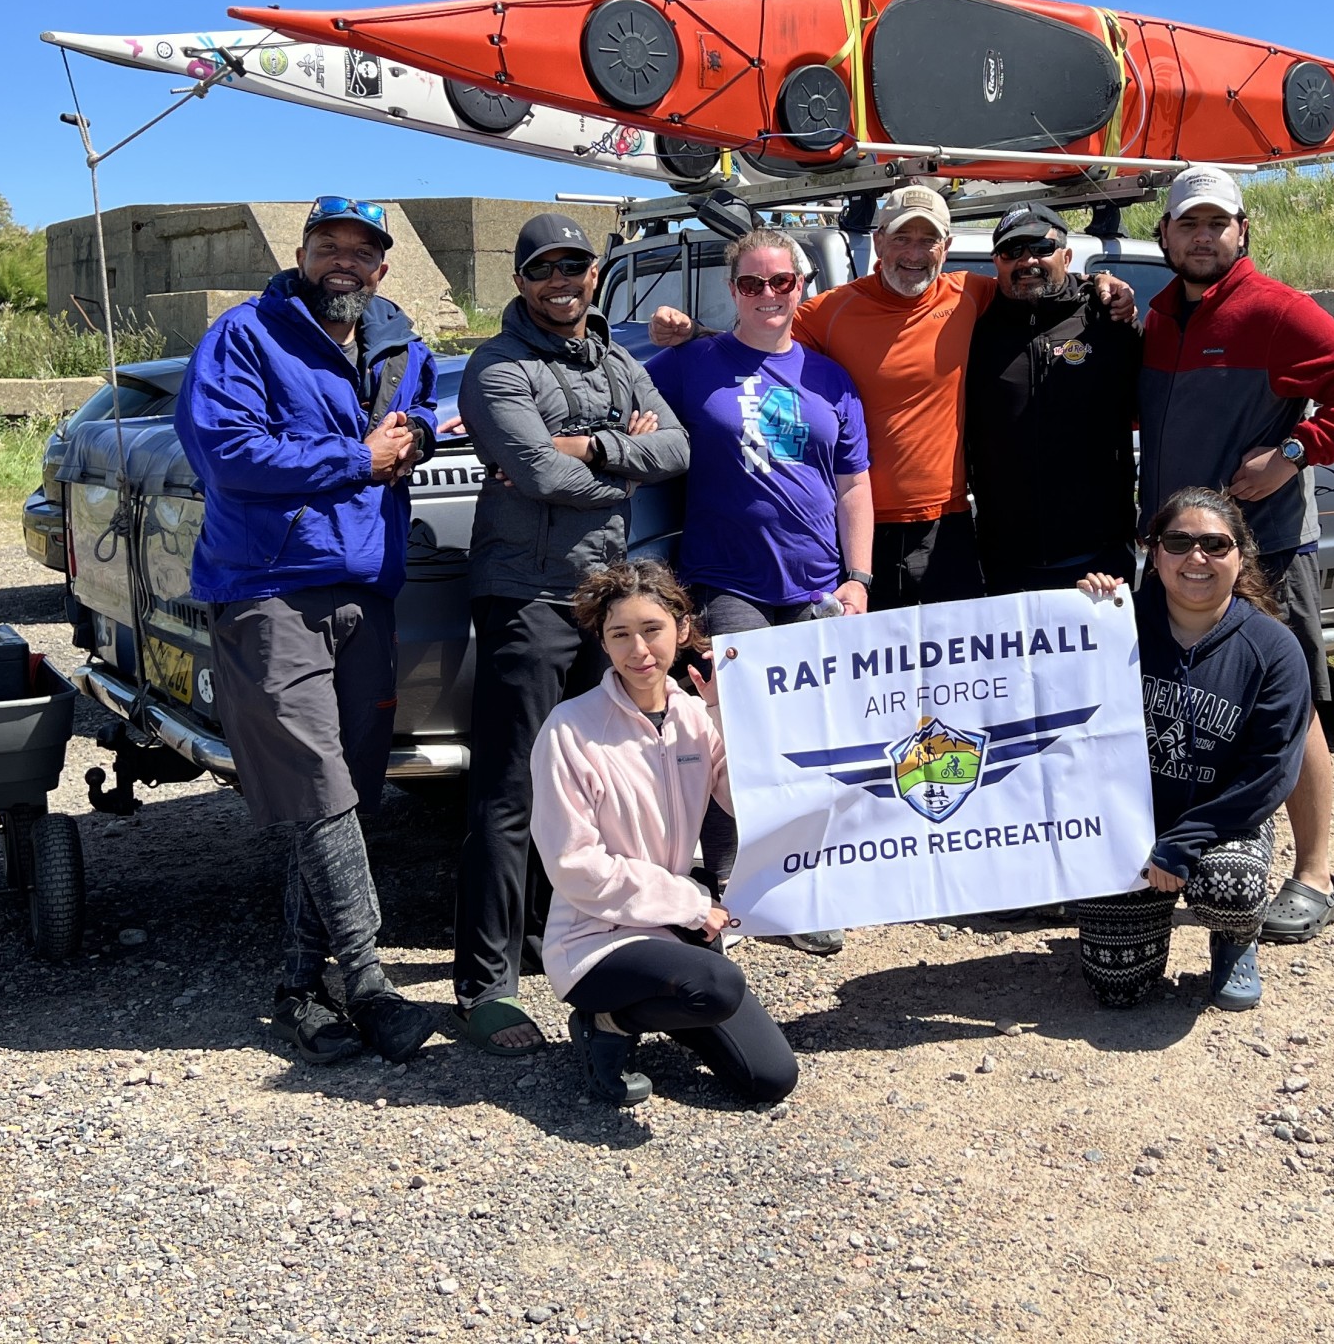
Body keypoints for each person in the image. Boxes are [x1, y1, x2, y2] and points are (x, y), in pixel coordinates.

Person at [176, 196, 441, 1066]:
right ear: (300, 252)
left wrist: (421, 434)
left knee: (336, 797)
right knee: (320, 784)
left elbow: (425, 410)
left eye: (361, 252)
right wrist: (356, 459)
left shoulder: (398, 340)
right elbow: (226, 452)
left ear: (382, 268)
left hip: (368, 585)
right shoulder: (246, 335)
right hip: (269, 591)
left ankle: (299, 985)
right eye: (328, 246)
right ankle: (366, 980)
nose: (344, 262)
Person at [653, 185, 1132, 609]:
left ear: (946, 249)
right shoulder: (830, 311)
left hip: (948, 526)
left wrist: (1100, 288)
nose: (914, 252)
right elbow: (762, 331)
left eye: (928, 240)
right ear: (879, 242)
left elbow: (1042, 292)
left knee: (956, 674)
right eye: (901, 237)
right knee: (872, 686)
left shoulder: (972, 294)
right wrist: (695, 334)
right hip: (860, 533)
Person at [1137, 165, 1334, 945]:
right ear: (1166, 236)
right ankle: (1198, 851)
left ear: (1242, 232)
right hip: (1177, 548)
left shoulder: (1276, 310)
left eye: (1218, 223)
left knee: (1298, 704)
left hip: (1265, 545)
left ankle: (1316, 874)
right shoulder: (1156, 317)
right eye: (1189, 224)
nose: (1204, 237)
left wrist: (1294, 449)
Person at [453, 213, 689, 1059]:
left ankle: (588, 950)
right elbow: (535, 472)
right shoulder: (495, 366)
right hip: (525, 594)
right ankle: (484, 987)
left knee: (608, 787)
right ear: (520, 280)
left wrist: (588, 448)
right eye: (545, 269)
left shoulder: (618, 359)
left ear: (595, 277)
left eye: (576, 268)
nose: (563, 281)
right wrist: (614, 463)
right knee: (511, 790)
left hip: (601, 601)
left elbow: (678, 447)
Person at [650, 224, 873, 958]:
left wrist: (858, 577)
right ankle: (730, 885)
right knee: (730, 736)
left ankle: (800, 888)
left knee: (808, 742)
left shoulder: (831, 378)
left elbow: (853, 487)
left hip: (812, 585)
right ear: (732, 289)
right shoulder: (692, 363)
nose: (769, 294)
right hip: (729, 580)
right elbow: (617, 397)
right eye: (753, 283)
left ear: (802, 286)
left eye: (782, 282)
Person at [529, 560, 799, 1108]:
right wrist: (690, 903)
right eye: (619, 635)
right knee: (718, 987)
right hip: (594, 939)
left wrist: (726, 711)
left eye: (651, 629)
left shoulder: (695, 718)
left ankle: (650, 1005)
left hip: (671, 933)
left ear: (680, 628)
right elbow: (573, 863)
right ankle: (606, 1019)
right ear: (603, 643)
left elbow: (750, 801)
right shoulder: (571, 728)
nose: (639, 651)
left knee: (771, 1078)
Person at [1074, 488, 1313, 1011]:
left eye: (1214, 544)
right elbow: (1054, 712)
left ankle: (1234, 939)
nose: (1196, 557)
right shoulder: (1113, 625)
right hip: (1130, 823)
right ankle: (1144, 920)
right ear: (1153, 553)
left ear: (1241, 555)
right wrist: (1082, 616)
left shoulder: (1273, 648)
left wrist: (1180, 845)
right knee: (1117, 989)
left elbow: (1269, 775)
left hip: (1223, 820)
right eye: (1178, 542)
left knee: (1231, 884)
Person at [966, 200, 1141, 594]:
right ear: (996, 262)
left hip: (1100, 558)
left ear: (1066, 254)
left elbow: (1156, 405)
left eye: (1041, 249)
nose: (1027, 260)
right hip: (1003, 561)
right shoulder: (974, 326)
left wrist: (1103, 282)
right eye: (1013, 251)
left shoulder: (1107, 318)